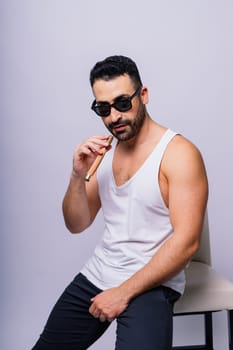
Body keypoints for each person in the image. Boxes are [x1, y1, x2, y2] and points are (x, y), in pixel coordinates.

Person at [32, 55, 208, 350]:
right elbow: (76, 224)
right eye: (103, 108)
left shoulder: (179, 154)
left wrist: (123, 292)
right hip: (100, 272)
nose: (114, 116)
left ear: (144, 95)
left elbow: (187, 243)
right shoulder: (102, 153)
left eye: (122, 103)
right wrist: (77, 175)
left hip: (153, 281)